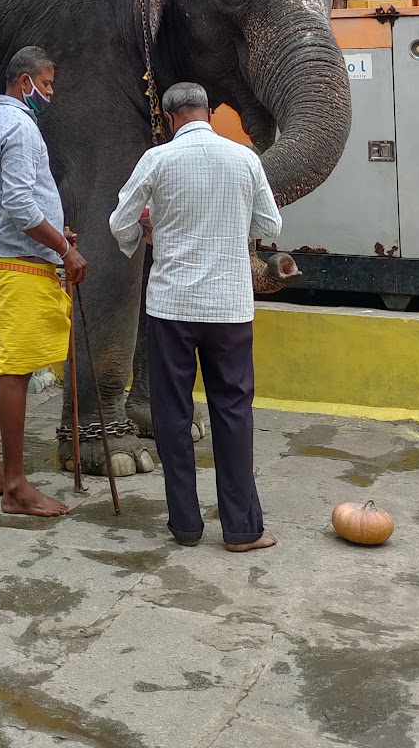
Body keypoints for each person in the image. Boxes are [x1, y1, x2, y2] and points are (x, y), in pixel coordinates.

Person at [108, 81, 282, 552]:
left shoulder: (157, 160)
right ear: (208, 112)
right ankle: (243, 530)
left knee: (171, 413)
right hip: (229, 309)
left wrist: (148, 233)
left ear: (169, 119)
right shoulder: (245, 159)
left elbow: (119, 222)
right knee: (233, 412)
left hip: (172, 308)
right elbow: (271, 224)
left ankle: (185, 525)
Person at [0, 46, 87, 516]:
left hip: (4, 259)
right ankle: (17, 486)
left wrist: (54, 230)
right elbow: (20, 205)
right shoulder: (20, 127)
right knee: (14, 370)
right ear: (25, 83)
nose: (51, 92)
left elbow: (13, 199)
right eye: (47, 83)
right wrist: (64, 249)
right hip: (22, 265)